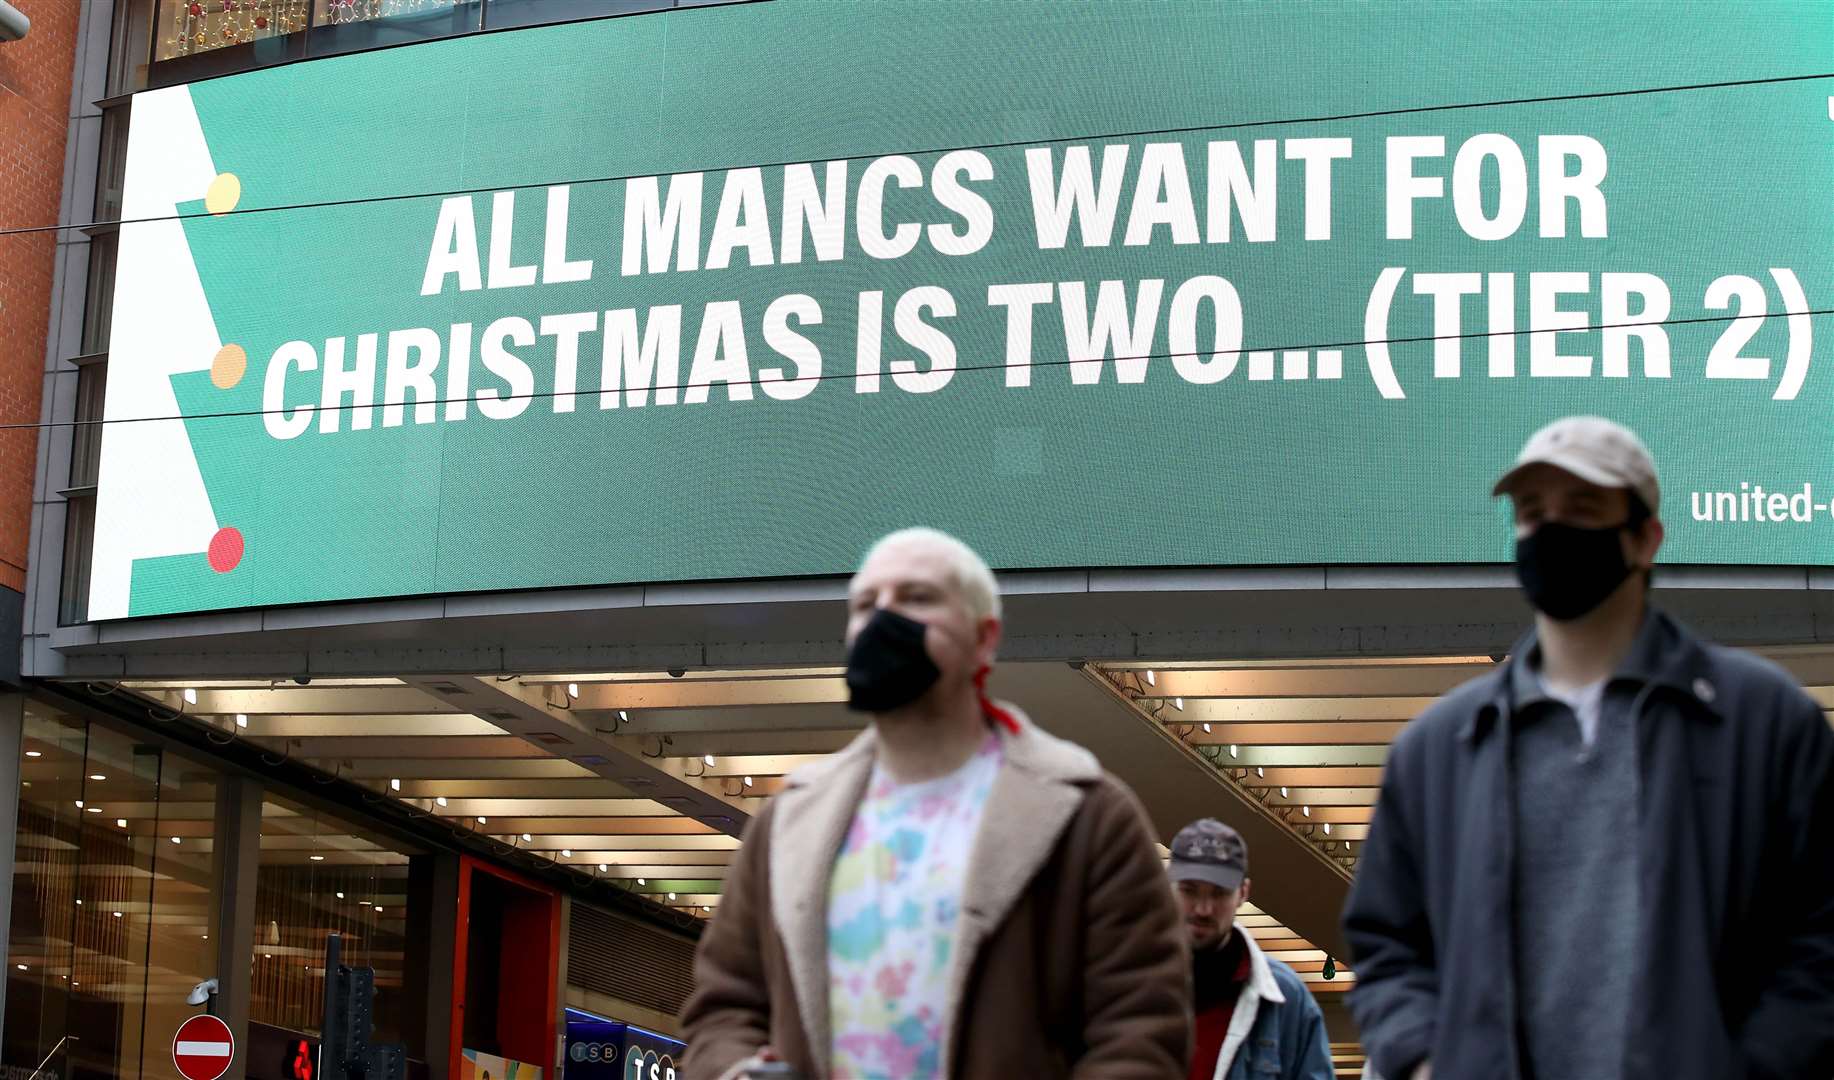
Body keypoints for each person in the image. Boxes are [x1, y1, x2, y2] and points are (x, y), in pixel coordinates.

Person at [1343, 416, 1834, 1080]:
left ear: (1644, 539)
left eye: (1583, 509)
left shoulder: (1762, 720)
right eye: (1531, 513)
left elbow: (1819, 936)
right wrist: (1430, 1060)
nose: (1551, 531)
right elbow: (1386, 942)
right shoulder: (1438, 751)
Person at [682, 527, 1190, 1079]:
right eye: (865, 605)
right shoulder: (789, 822)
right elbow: (723, 1006)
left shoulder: (1088, 817)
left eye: (917, 599)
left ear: (985, 638)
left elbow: (1142, 1031)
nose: (883, 621)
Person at [1170, 818, 1334, 1080]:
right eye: (1190, 891)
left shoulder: (1287, 1000)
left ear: (1243, 892)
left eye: (1218, 893)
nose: (1203, 909)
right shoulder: (1127, 984)